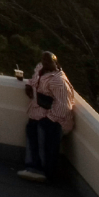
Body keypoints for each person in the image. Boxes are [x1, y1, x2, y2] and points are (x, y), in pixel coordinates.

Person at [19, 52, 78, 183]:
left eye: (48, 62)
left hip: (55, 119)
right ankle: (32, 166)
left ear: (55, 63)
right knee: (31, 131)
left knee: (46, 138)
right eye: (44, 61)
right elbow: (34, 80)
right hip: (38, 112)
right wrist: (29, 85)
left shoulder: (59, 81)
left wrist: (49, 118)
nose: (45, 64)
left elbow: (64, 107)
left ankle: (44, 171)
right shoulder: (41, 69)